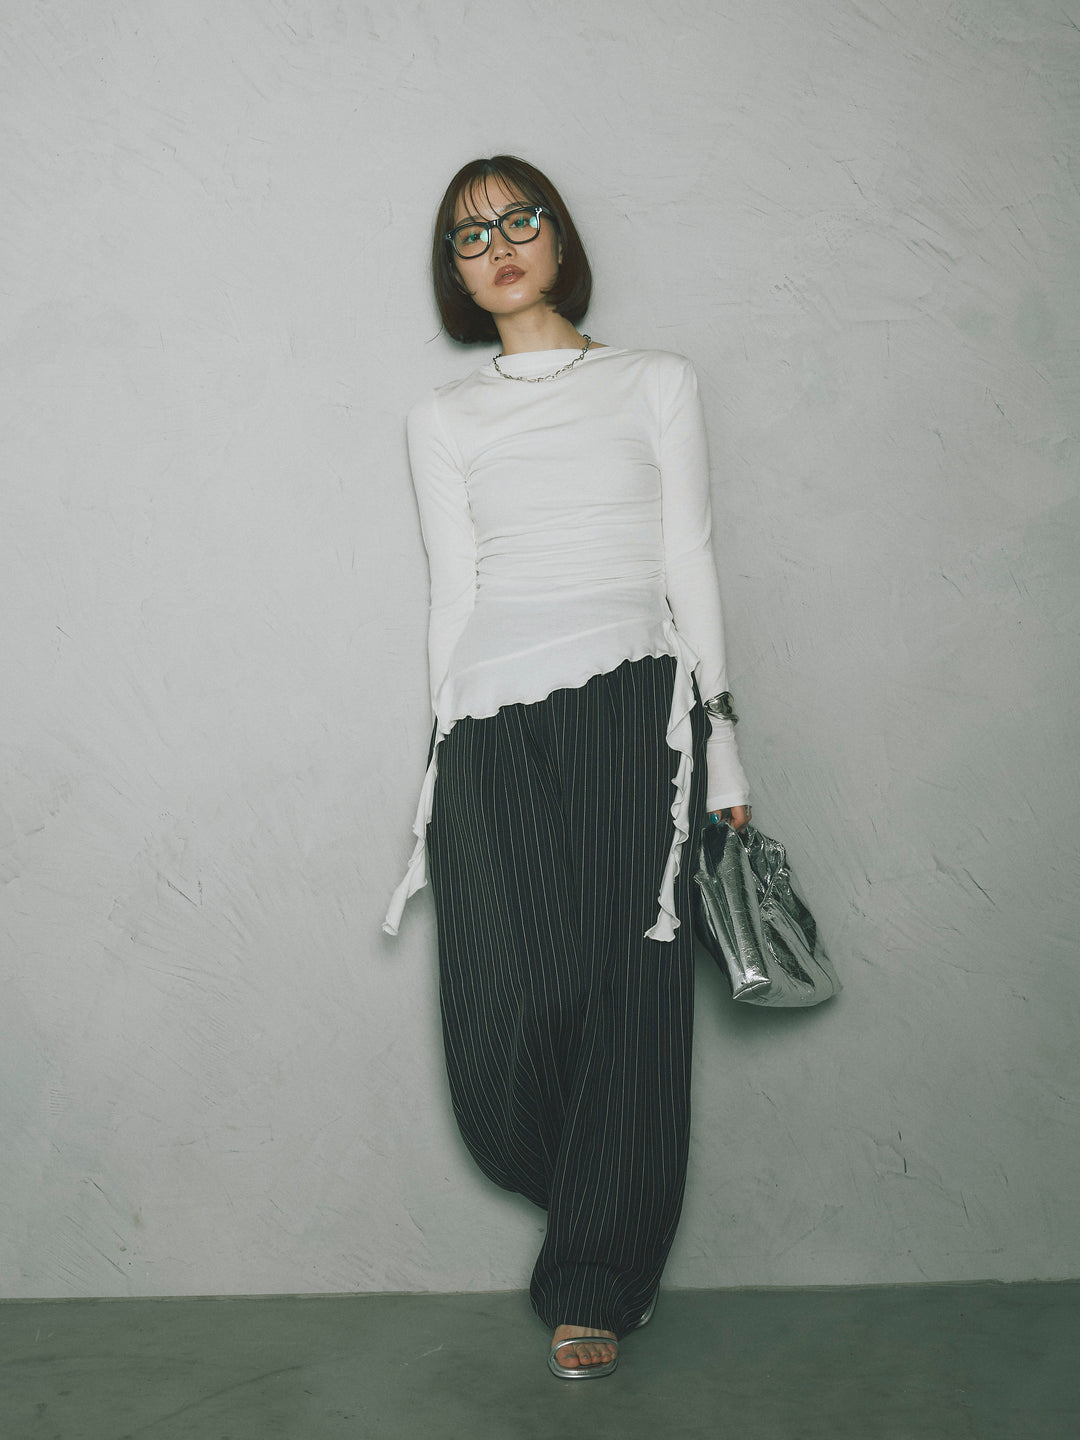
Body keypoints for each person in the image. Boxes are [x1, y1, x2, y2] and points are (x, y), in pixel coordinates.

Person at [384, 156, 750, 1379]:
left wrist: (724, 744)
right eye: (469, 235)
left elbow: (689, 561)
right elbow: (453, 595)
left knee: (630, 990)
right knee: (506, 1001)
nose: (497, 246)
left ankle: (595, 1278)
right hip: (490, 722)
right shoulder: (441, 418)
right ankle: (608, 1190)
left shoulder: (656, 381)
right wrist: (438, 761)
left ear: (557, 237)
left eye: (518, 219)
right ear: (454, 271)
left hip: (634, 704)